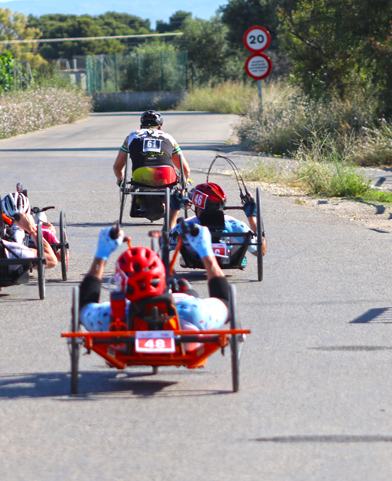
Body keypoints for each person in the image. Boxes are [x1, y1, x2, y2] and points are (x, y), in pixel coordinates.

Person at [78, 225, 231, 335]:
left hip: (127, 318)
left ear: (121, 282)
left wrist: (102, 254)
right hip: (183, 312)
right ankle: (182, 288)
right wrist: (205, 251)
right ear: (160, 276)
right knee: (186, 288)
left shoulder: (109, 317)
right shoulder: (194, 311)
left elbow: (83, 307)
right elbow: (225, 302)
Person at [113, 110, 191, 229]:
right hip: (166, 177)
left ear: (141, 126)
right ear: (160, 127)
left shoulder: (131, 136)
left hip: (141, 177)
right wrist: (182, 182)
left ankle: (140, 201)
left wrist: (121, 180)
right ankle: (172, 204)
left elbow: (117, 167)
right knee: (176, 183)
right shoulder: (169, 137)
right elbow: (186, 170)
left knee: (134, 182)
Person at [170, 182, 267, 262]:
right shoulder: (238, 227)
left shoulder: (185, 227)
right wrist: (252, 217)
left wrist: (174, 210)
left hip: (194, 258)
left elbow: (164, 243)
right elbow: (260, 251)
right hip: (231, 256)